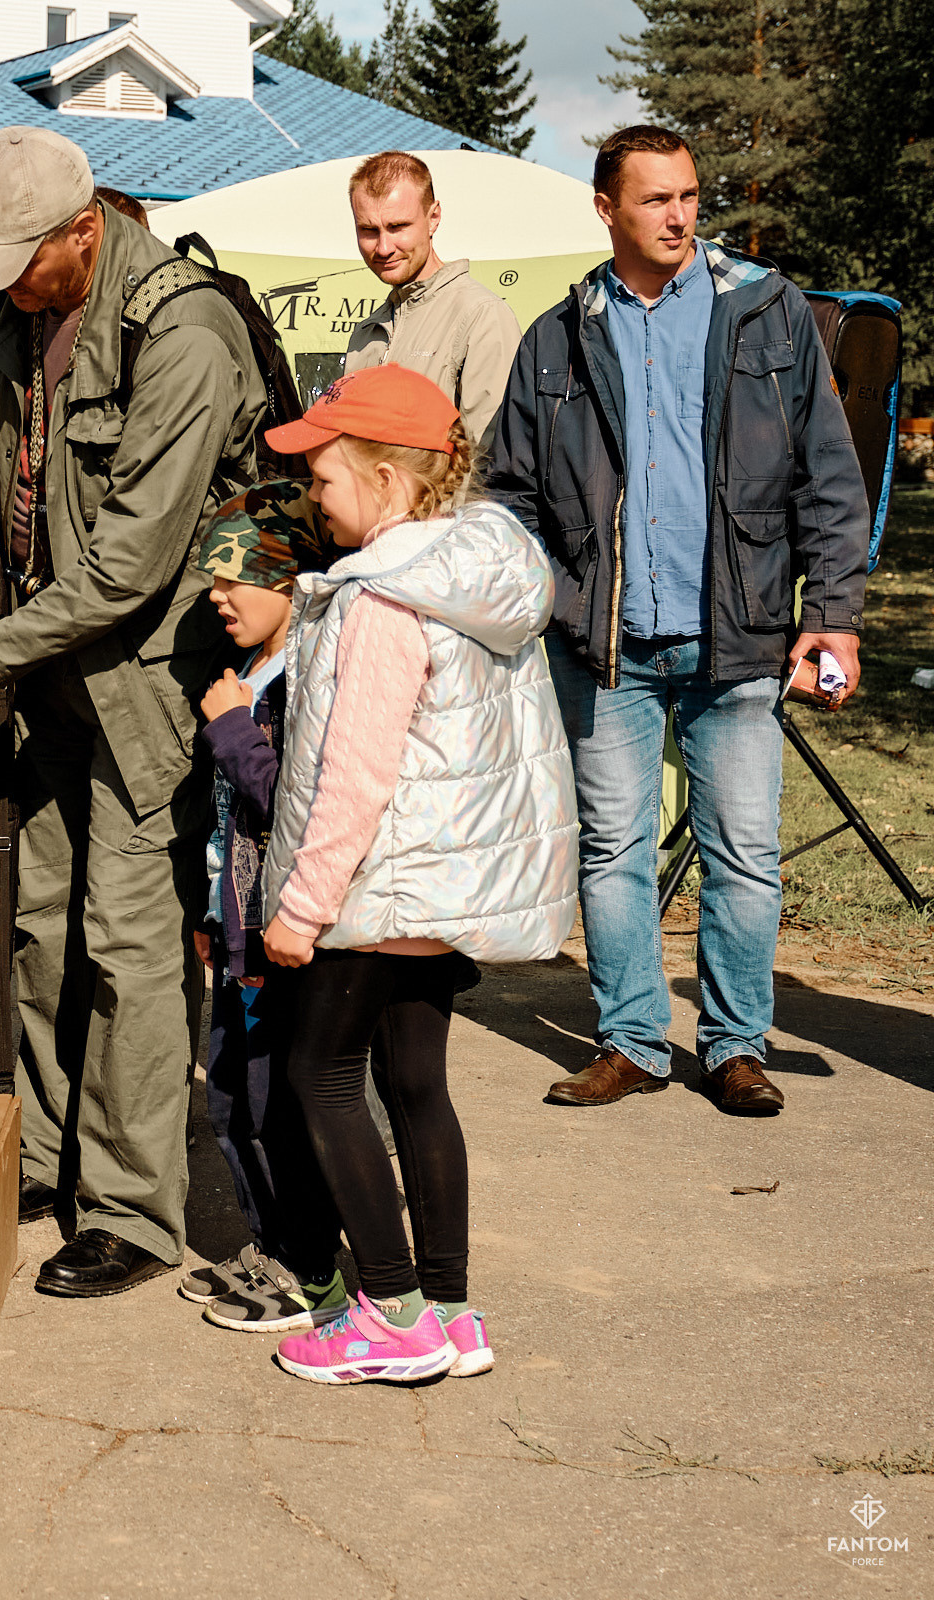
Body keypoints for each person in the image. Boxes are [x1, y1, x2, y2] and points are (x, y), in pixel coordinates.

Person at [0, 126, 270, 1297]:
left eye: (21, 265)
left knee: (132, 938)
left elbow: (131, 572)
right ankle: (44, 1157)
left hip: (144, 670)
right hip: (39, 660)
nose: (2, 290)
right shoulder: (14, 295)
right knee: (39, 920)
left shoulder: (183, 330)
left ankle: (136, 1209)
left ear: (83, 233)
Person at [485, 125, 873, 1115]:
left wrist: (832, 614)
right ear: (606, 207)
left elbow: (829, 476)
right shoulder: (557, 334)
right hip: (606, 642)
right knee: (612, 847)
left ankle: (737, 1045)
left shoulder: (766, 311)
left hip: (740, 631)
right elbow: (509, 495)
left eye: (689, 196)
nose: (678, 216)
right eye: (655, 199)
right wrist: (555, 596)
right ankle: (630, 1042)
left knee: (742, 848)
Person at [256, 363, 577, 1385]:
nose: (313, 494)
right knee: (416, 1081)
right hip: (439, 893)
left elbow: (357, 770)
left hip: (377, 885)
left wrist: (302, 909)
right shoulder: (475, 577)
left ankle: (388, 1311)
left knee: (321, 1073)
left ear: (392, 483)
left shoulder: (382, 597)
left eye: (326, 476)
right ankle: (449, 1306)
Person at [178, 485, 347, 1333]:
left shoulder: (295, 683)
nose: (219, 594)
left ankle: (308, 1274)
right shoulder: (244, 675)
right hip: (239, 926)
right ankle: (270, 1245)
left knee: (279, 1109)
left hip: (286, 938)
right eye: (212, 577)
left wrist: (234, 730)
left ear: (291, 577)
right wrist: (215, 917)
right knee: (232, 1105)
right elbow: (227, 831)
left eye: (237, 576)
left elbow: (294, 807)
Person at [341, 150, 522, 443]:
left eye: (397, 227)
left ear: (434, 217)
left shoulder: (482, 316)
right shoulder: (367, 332)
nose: (384, 247)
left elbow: (490, 465)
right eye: (368, 230)